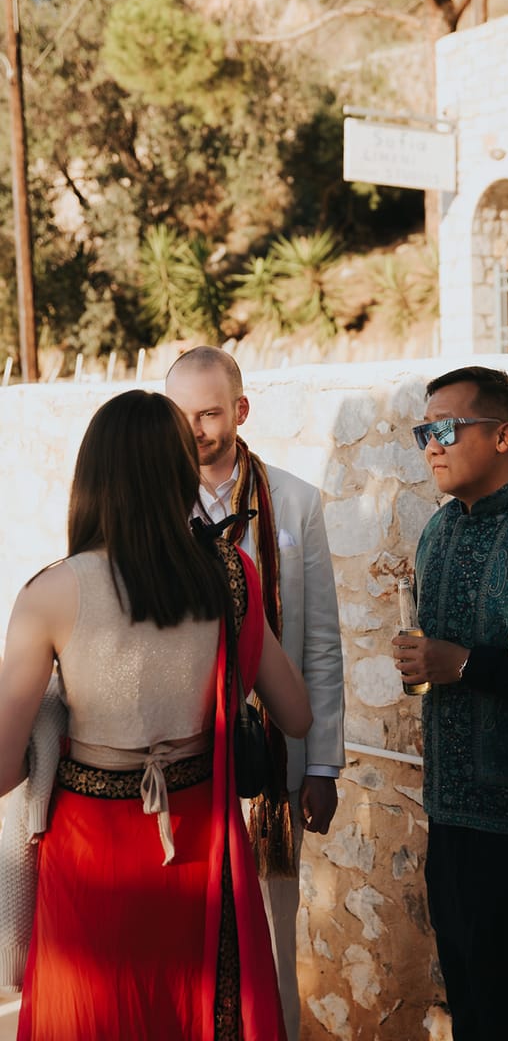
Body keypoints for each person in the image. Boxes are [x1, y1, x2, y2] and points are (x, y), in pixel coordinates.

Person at [0, 389, 312, 1040]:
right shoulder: (231, 575)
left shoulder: (50, 593)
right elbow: (297, 714)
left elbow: (2, 769)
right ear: (180, 471)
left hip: (90, 850)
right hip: (199, 844)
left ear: (92, 478)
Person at [165, 346, 344, 1041]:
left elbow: (320, 642)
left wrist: (323, 763)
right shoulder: (152, 509)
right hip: (184, 756)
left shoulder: (295, 502)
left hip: (274, 752)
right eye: (183, 416)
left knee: (272, 939)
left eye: (210, 413)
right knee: (187, 938)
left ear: (240, 411)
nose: (197, 430)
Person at [392, 366, 508, 1041]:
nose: (431, 445)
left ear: (504, 436)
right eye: (423, 431)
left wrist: (461, 663)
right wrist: (424, 660)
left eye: (447, 428)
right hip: (449, 819)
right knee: (469, 1005)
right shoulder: (437, 532)